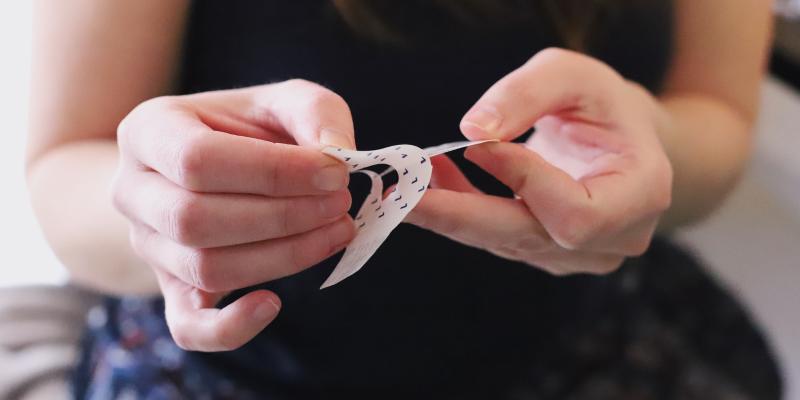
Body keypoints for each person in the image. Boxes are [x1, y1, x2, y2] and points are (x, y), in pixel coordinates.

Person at [26, 0, 781, 398]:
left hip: (583, 346)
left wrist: (649, 139)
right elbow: (66, 169)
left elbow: (717, 111)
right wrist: (160, 215)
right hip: (224, 377)